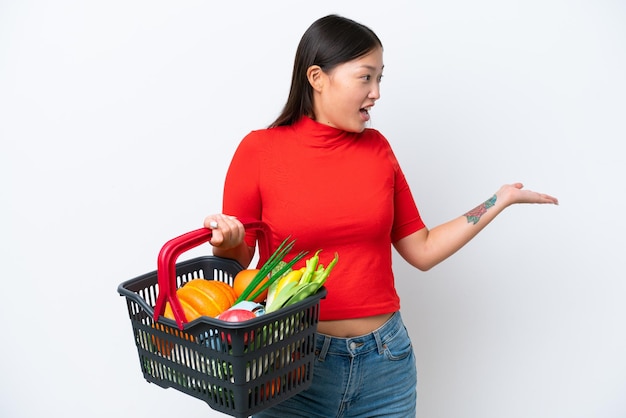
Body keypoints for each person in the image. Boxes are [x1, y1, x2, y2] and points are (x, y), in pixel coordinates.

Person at [204, 14, 558, 418]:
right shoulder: (259, 151)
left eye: (380, 79)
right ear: (317, 78)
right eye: (365, 77)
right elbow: (240, 268)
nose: (375, 93)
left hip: (384, 365)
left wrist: (498, 200)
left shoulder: (377, 150)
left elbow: (421, 249)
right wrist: (229, 244)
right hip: (290, 364)